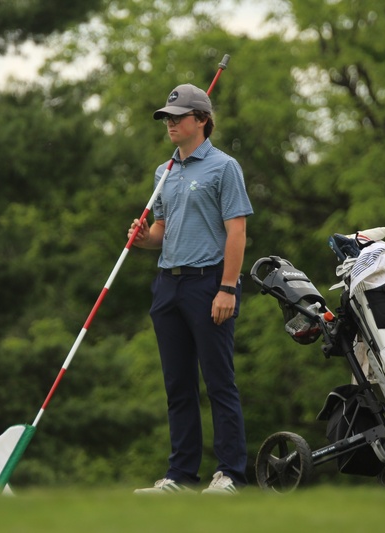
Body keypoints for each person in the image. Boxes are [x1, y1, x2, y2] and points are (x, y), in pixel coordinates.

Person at [128, 83, 253, 495]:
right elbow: (161, 231)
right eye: (166, 118)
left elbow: (237, 231)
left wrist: (228, 288)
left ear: (201, 120)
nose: (170, 124)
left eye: (177, 117)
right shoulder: (163, 172)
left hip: (209, 284)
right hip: (168, 285)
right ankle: (180, 476)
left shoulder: (224, 167)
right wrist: (144, 238)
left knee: (219, 382)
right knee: (178, 386)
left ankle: (230, 473)